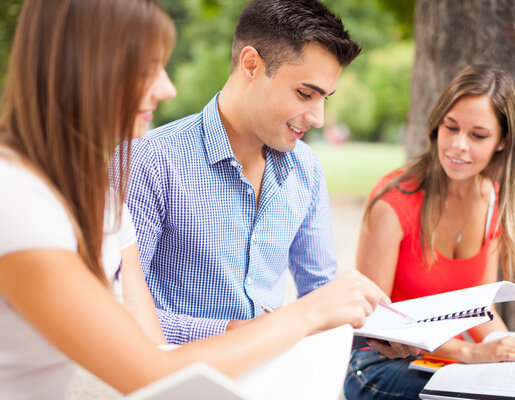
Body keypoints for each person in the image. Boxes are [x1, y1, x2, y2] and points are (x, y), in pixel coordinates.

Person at [0, 0, 401, 398]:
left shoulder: (99, 202)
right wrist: (303, 315)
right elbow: (151, 369)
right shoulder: (23, 203)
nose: (168, 87)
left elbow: (155, 362)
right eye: (146, 69)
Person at [123, 0, 363, 343]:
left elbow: (319, 293)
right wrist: (230, 333)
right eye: (305, 93)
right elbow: (117, 309)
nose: (317, 118)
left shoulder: (306, 168)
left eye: (323, 98)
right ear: (251, 65)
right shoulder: (151, 160)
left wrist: (369, 331)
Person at [343, 64, 515, 400]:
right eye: (450, 127)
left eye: (478, 135)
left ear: (502, 141)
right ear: (437, 125)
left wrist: (505, 348)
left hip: (444, 362)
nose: (458, 146)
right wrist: (472, 354)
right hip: (377, 363)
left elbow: (481, 310)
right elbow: (375, 322)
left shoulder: (493, 200)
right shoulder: (394, 201)